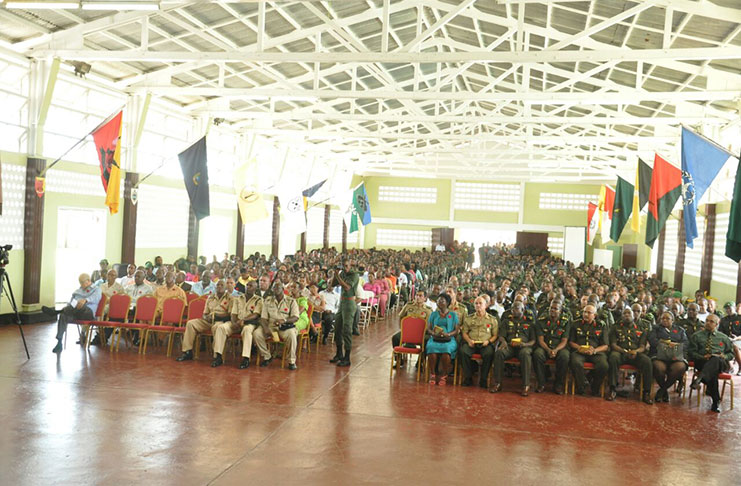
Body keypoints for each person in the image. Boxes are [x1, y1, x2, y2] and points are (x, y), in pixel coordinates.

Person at [44, 273, 102, 354]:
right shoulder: (77, 291)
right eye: (80, 282)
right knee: (63, 315)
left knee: (81, 305)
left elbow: (96, 298)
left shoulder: (96, 289)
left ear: (89, 281)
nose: (81, 285)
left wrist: (85, 300)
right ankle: (59, 342)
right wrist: (70, 305)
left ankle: (56, 312)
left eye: (82, 282)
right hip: (75, 313)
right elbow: (70, 303)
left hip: (88, 313)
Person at [210, 280, 263, 369]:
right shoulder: (238, 298)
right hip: (236, 322)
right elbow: (233, 313)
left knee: (247, 330)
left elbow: (256, 314)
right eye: (247, 285)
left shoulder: (258, 300)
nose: (248, 287)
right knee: (221, 327)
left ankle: (246, 358)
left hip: (248, 323)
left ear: (255, 289)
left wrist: (243, 320)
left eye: (250, 286)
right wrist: (234, 322)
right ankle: (218, 356)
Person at [175, 280, 232, 362]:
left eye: (221, 285)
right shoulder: (210, 297)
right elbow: (205, 313)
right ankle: (187, 352)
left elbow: (230, 315)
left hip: (220, 321)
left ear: (225, 287)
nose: (219, 287)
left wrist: (216, 316)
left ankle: (217, 356)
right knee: (190, 323)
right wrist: (206, 317)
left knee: (217, 327)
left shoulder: (230, 298)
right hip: (208, 321)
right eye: (217, 285)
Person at [688, 314, 735, 412]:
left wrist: (724, 356)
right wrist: (702, 357)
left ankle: (700, 379)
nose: (708, 323)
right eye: (707, 321)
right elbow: (691, 353)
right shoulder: (696, 336)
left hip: (721, 362)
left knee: (716, 359)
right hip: (702, 362)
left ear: (717, 324)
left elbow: (731, 354)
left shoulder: (723, 338)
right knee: (713, 373)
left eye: (711, 321)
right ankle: (715, 402)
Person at [606, 308, 653, 404]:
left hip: (636, 353)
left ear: (633, 315)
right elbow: (613, 344)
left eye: (629, 313)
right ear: (621, 316)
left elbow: (643, 346)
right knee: (613, 357)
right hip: (620, 352)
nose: (627, 315)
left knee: (647, 361)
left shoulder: (641, 328)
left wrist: (635, 351)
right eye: (624, 313)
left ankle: (646, 392)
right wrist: (624, 351)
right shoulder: (615, 327)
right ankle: (612, 389)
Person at [491, 301, 535, 396]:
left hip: (524, 346)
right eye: (512, 308)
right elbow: (501, 336)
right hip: (510, 346)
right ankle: (498, 383)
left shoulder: (529, 322)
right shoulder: (506, 321)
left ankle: (526, 385)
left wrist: (525, 345)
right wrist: (503, 342)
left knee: (525, 354)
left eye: (516, 308)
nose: (513, 310)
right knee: (499, 353)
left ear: (522, 310)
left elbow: (533, 340)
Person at [569, 304, 609, 396]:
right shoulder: (575, 324)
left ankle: (595, 388)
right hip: (579, 351)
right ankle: (582, 386)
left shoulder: (601, 325)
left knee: (603, 365)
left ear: (594, 315)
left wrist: (594, 350)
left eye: (589, 313)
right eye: (584, 312)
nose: (586, 314)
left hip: (596, 352)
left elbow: (605, 345)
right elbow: (571, 342)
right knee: (575, 362)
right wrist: (580, 348)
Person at [648, 311, 689, 402]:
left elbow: (686, 343)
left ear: (673, 320)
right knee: (659, 367)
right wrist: (667, 344)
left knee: (680, 367)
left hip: (675, 356)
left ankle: (662, 390)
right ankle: (664, 391)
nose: (665, 320)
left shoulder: (680, 330)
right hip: (659, 355)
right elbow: (652, 340)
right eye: (663, 318)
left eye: (667, 318)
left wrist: (676, 345)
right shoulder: (655, 328)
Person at [260, 281, 300, 370]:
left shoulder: (291, 301)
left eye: (278, 288)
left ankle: (291, 361)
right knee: (257, 334)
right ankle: (267, 356)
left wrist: (284, 320)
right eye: (274, 288)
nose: (275, 289)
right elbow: (263, 318)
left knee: (292, 335)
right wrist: (266, 328)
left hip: (284, 327)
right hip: (271, 326)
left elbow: (296, 317)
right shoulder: (268, 300)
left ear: (283, 289)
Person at [533, 300, 571, 395]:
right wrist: (548, 350)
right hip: (545, 346)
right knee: (537, 354)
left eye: (555, 308)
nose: (553, 310)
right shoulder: (541, 321)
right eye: (551, 308)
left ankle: (558, 384)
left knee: (565, 356)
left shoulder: (565, 322)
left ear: (560, 311)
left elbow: (564, 340)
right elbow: (540, 340)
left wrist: (556, 350)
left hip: (559, 347)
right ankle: (541, 383)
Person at [459, 296, 497, 388]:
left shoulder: (492, 319)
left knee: (489, 353)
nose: (478, 305)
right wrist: (468, 340)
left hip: (485, 344)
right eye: (476, 303)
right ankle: (468, 378)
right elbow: (464, 332)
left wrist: (488, 341)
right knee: (463, 351)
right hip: (471, 342)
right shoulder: (469, 318)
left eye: (480, 303)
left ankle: (483, 379)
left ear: (486, 305)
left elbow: (495, 335)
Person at [425, 293, 460, 386]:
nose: (439, 302)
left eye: (442, 300)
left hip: (449, 339)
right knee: (431, 348)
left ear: (447, 302)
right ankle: (432, 374)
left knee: (446, 351)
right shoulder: (433, 314)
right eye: (438, 300)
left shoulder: (453, 314)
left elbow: (456, 330)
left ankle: (444, 375)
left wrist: (448, 334)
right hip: (435, 338)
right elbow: (428, 328)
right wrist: (433, 333)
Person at [330, 259, 359, 368]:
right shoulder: (342, 273)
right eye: (343, 266)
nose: (345, 268)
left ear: (350, 265)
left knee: (347, 329)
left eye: (347, 266)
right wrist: (335, 274)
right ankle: (339, 353)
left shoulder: (354, 275)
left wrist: (338, 276)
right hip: (342, 302)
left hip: (350, 302)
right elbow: (333, 284)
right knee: (337, 327)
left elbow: (347, 287)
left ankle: (347, 357)